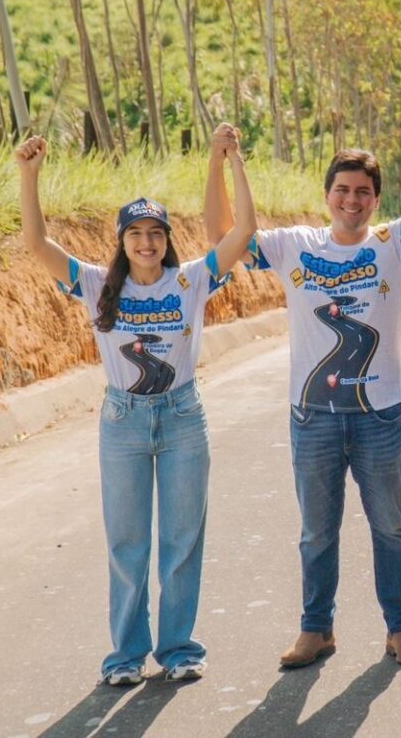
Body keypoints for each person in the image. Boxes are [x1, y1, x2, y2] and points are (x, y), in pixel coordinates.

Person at [204, 89, 401, 668]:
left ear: (375, 200)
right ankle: (317, 630)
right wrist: (217, 161)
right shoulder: (295, 245)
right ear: (327, 197)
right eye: (342, 190)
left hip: (380, 414)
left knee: (391, 526)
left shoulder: (393, 245)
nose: (352, 200)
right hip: (312, 414)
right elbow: (223, 234)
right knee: (317, 531)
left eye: (362, 192)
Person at [16, 125, 257, 687]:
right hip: (123, 420)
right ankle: (125, 656)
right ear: (122, 242)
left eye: (155, 233)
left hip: (182, 417)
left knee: (182, 540)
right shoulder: (99, 285)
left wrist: (231, 160)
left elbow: (244, 230)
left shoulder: (191, 280)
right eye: (135, 234)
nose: (146, 243)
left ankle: (178, 649)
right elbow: (37, 245)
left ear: (167, 239)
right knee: (128, 543)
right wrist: (29, 177)